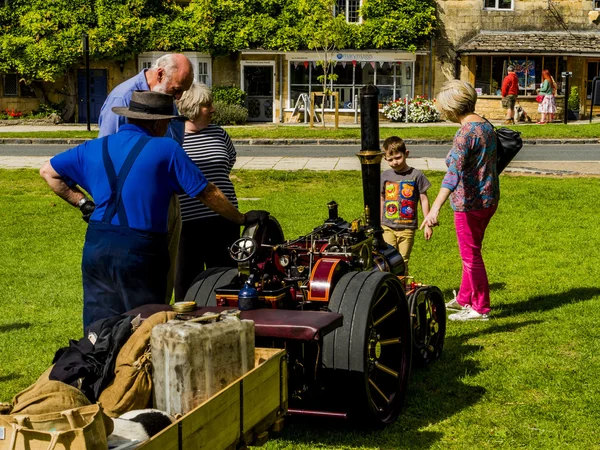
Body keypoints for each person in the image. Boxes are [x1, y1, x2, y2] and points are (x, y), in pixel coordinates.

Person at [40, 91, 268, 329]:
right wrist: (240, 218)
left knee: (99, 324)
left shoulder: (94, 147)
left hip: (97, 244)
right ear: (158, 122)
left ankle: (97, 363)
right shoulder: (166, 149)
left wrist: (83, 203)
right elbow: (206, 192)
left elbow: (48, 172)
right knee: (146, 324)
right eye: (168, 122)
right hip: (140, 247)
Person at [98, 53, 195, 303]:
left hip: (168, 200)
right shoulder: (123, 98)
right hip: (136, 205)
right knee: (139, 283)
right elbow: (105, 157)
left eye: (183, 91)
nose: (180, 97)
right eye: (177, 89)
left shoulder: (165, 96)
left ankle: (157, 331)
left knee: (164, 277)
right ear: (160, 74)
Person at [420, 80, 499, 322]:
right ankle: (465, 297)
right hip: (489, 199)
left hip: (469, 204)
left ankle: (480, 308)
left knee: (470, 255)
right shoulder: (485, 125)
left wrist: (434, 209)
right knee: (471, 251)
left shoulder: (464, 134)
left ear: (453, 108)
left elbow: (452, 175)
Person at [173, 82, 240, 299]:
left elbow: (228, 162)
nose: (213, 110)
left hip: (224, 219)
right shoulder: (173, 138)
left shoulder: (219, 133)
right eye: (207, 106)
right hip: (187, 224)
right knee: (186, 282)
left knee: (226, 280)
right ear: (192, 108)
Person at [380, 136, 432, 274]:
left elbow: (424, 199)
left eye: (398, 157)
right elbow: (381, 199)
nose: (394, 162)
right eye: (390, 160)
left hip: (407, 228)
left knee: (402, 261)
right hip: (387, 227)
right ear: (385, 159)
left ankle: (402, 291)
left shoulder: (416, 175)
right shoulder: (385, 176)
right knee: (387, 260)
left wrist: (428, 223)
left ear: (406, 154)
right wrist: (380, 222)